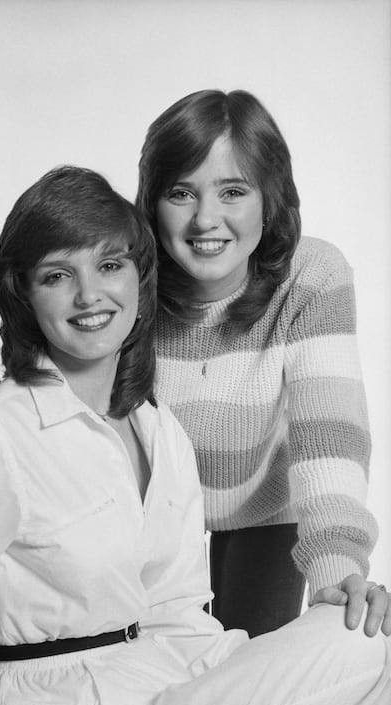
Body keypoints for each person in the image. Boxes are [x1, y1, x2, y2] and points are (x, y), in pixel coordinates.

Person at [0, 166, 391, 705]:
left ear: (140, 278)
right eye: (58, 276)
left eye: (110, 266)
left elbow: (177, 610)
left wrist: (249, 680)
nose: (90, 295)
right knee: (357, 646)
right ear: (24, 297)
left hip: (173, 701)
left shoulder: (157, 428)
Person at [135, 89, 379, 637]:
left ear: (270, 199)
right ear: (150, 201)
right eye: (180, 193)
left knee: (254, 678)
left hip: (266, 510)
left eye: (233, 191)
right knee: (163, 694)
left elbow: (330, 435)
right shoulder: (125, 283)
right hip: (151, 522)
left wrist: (337, 567)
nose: (205, 219)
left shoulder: (311, 275)